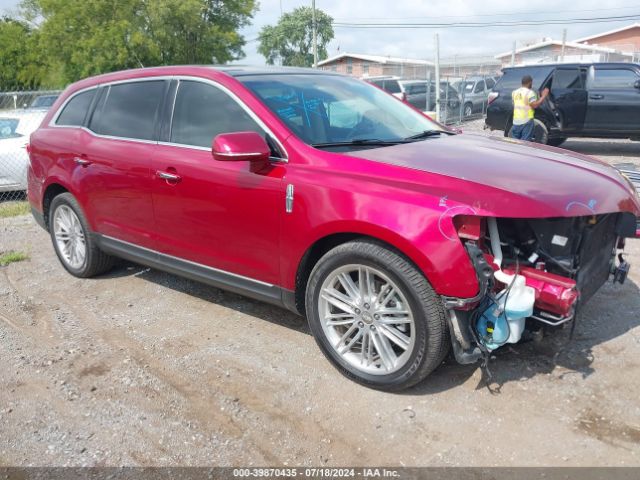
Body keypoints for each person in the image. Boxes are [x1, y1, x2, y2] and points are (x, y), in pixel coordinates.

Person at [511, 75, 549, 141]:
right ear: (530, 82)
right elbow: (534, 105)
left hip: (516, 122)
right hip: (526, 121)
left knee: (515, 143)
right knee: (525, 143)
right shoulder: (530, 93)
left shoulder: (514, 92)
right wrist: (543, 96)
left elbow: (514, 104)